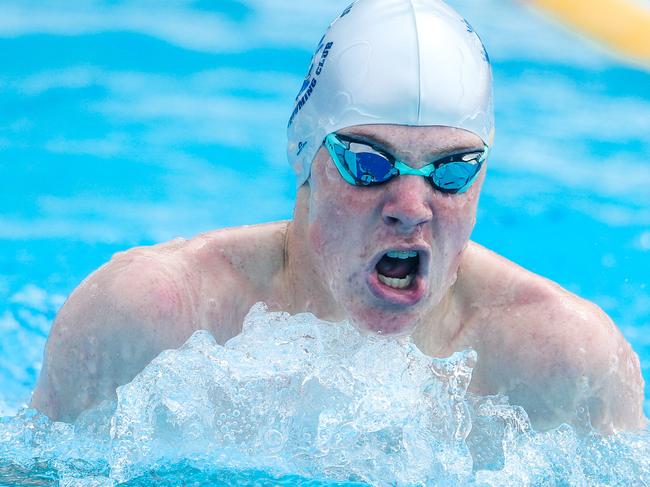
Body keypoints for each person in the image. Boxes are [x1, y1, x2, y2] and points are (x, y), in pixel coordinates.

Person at [32, 0, 646, 432]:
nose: (411, 210)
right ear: (305, 155)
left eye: (452, 169)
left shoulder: (564, 361)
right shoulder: (152, 318)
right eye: (369, 163)